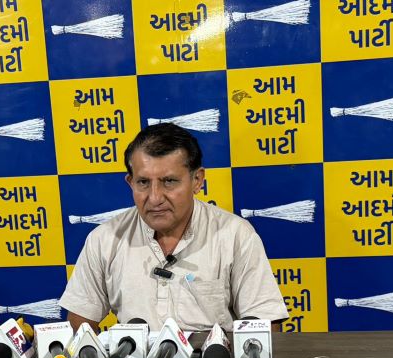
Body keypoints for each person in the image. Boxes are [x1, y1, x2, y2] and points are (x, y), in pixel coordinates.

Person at [60, 123, 287, 332]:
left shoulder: (236, 234)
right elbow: (80, 320)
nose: (155, 198)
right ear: (130, 182)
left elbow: (265, 323)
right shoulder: (105, 239)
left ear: (197, 180)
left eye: (169, 181)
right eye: (143, 182)